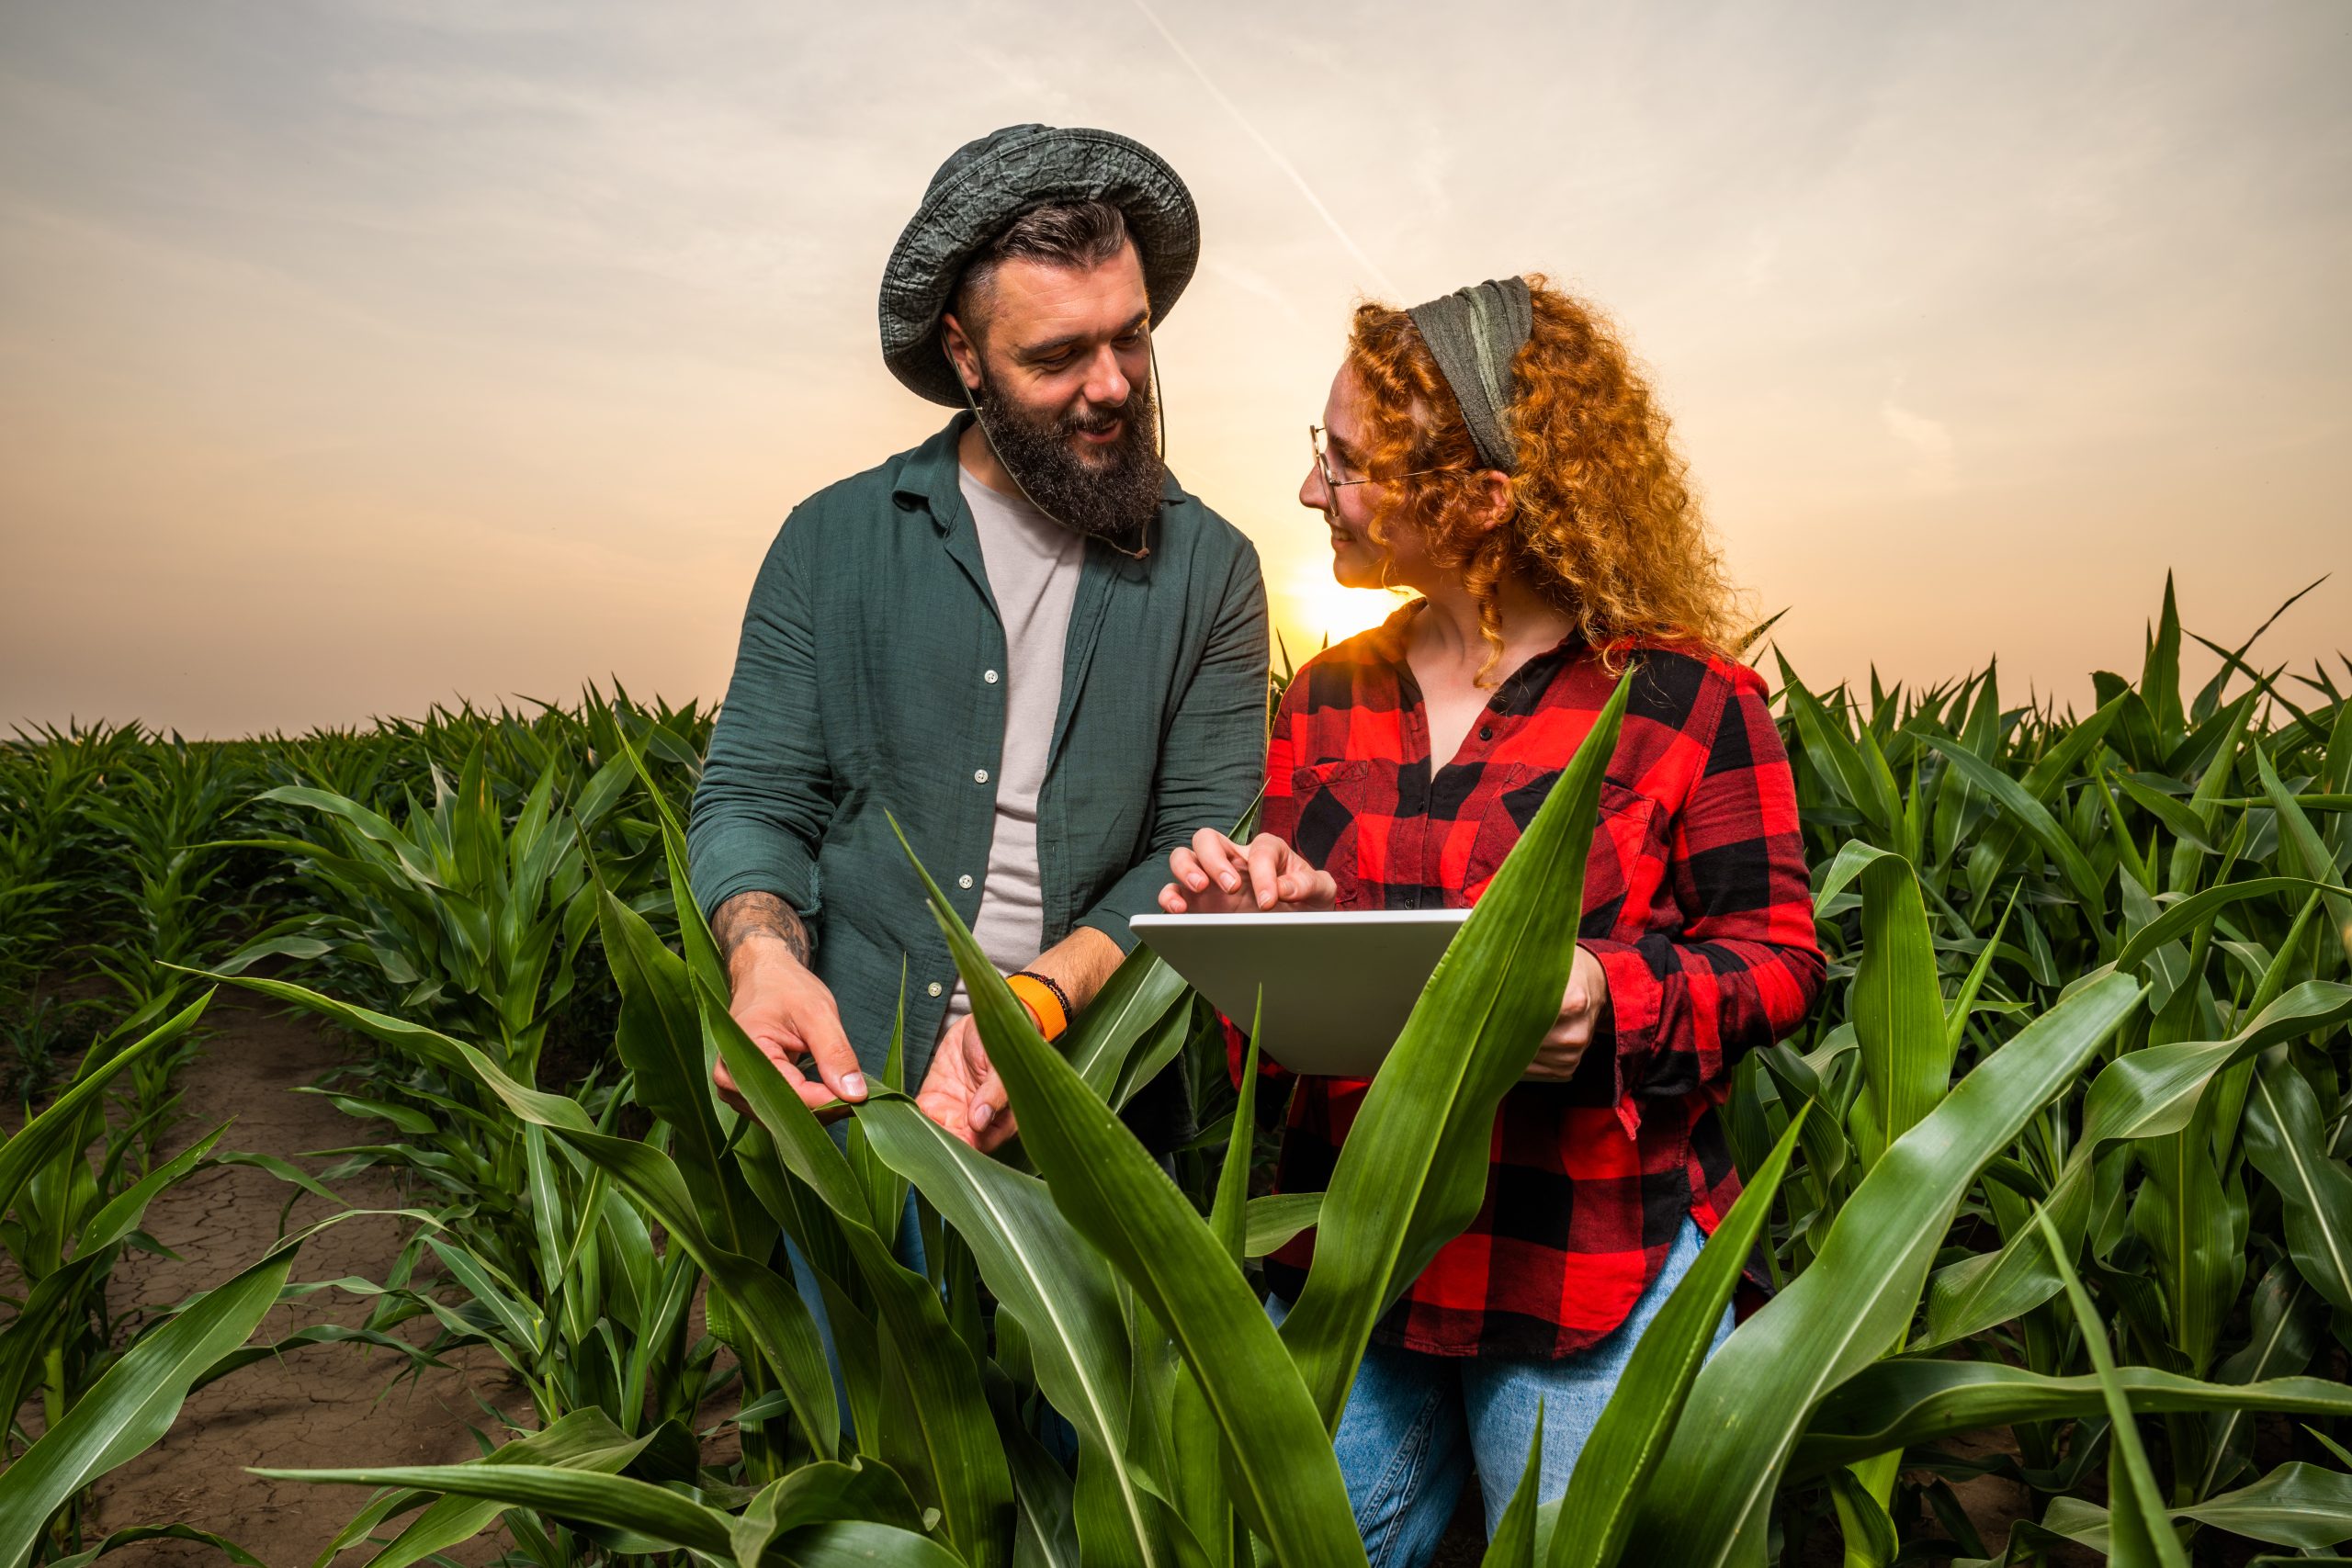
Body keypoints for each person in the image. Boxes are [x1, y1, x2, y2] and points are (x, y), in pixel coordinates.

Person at [1158, 276, 1824, 1566]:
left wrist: (1600, 994)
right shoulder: (1331, 699)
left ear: (1481, 502)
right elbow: (1293, 1009)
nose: (1312, 493)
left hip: (1582, 1267)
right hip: (1356, 1262)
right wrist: (1268, 917)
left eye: (1343, 465)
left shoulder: (1689, 700)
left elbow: (1779, 962)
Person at [689, 123, 1269, 1168]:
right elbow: (753, 798)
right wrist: (762, 959)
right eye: (1056, 356)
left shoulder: (1214, 570)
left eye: (1129, 336)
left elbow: (1196, 853)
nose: (1112, 385)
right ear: (964, 355)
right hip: (852, 1104)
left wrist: (1039, 1006)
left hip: (1099, 1105)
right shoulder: (830, 540)